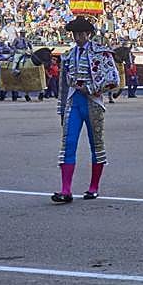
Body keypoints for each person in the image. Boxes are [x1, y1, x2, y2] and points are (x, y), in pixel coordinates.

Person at [52, 16, 120, 204]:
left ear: (88, 34)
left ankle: (94, 187)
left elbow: (114, 80)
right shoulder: (68, 55)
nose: (77, 37)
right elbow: (63, 85)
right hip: (74, 102)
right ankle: (66, 190)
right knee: (68, 144)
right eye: (75, 34)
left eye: (81, 33)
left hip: (93, 102)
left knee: (96, 146)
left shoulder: (101, 53)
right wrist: (61, 108)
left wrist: (90, 89)